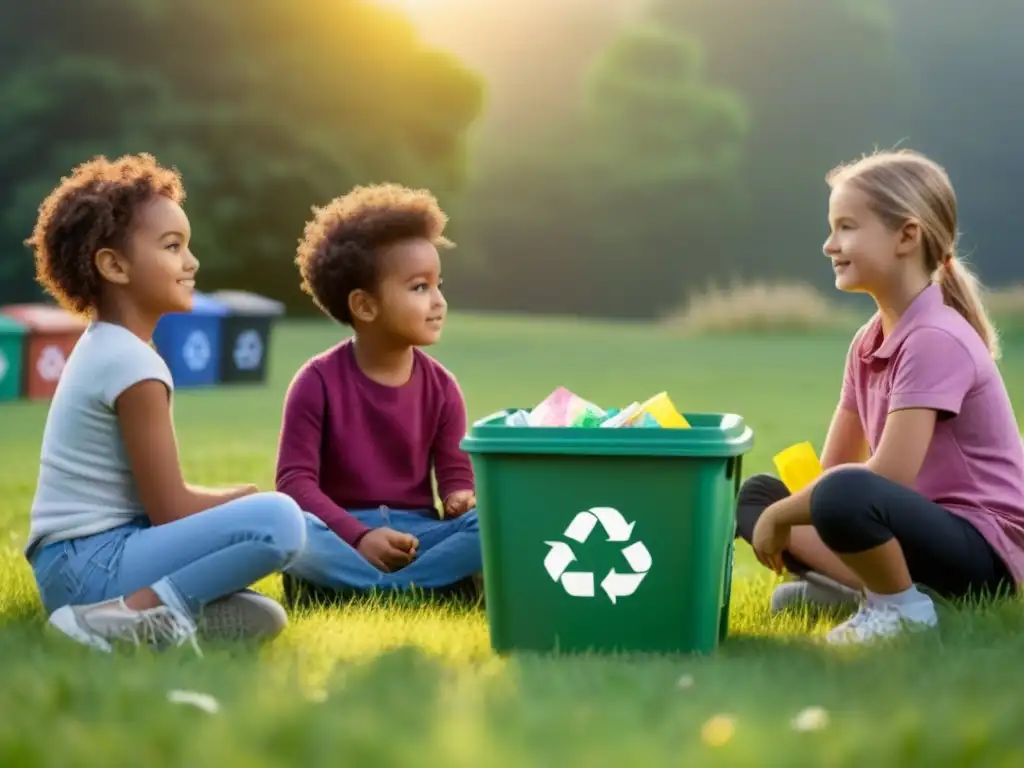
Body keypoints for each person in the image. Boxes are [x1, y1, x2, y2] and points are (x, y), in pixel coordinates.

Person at [735, 148, 1024, 645]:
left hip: (985, 552)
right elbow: (832, 470)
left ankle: (901, 609)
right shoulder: (869, 341)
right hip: (913, 531)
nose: (829, 245)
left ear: (906, 237)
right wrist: (776, 510)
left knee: (840, 495)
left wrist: (785, 518)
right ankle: (879, 594)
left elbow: (887, 474)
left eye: (847, 227)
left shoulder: (936, 337)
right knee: (756, 495)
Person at [24, 154, 307, 655]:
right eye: (173, 247)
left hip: (72, 567)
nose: (192, 262)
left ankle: (151, 621)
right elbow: (170, 508)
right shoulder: (132, 364)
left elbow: (155, 508)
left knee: (263, 617)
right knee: (280, 520)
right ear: (114, 265)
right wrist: (240, 499)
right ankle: (122, 616)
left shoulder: (107, 346)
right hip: (92, 563)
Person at [276, 183, 481, 605]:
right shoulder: (316, 381)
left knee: (496, 522)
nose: (439, 301)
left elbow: (455, 476)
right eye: (419, 288)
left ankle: (365, 589)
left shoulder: (443, 388)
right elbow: (295, 483)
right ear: (365, 306)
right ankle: (428, 587)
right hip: (341, 532)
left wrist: (461, 499)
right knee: (283, 523)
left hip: (418, 537)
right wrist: (361, 535)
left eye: (438, 284)